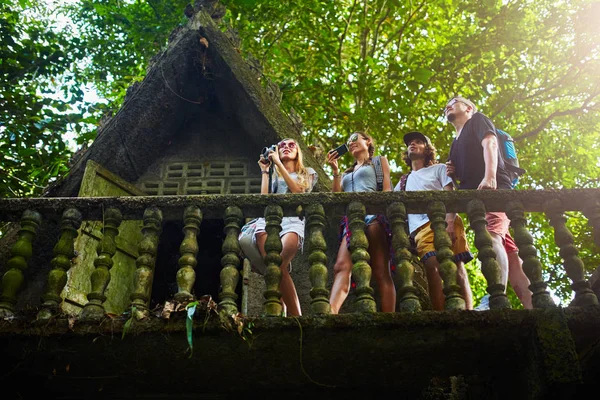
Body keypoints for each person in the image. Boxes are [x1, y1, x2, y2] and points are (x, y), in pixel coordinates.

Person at [444, 96, 532, 309]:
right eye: (445, 105)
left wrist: (490, 177)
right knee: (510, 255)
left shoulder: (478, 120)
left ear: (468, 108)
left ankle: (496, 296)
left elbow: (490, 143)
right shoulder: (455, 144)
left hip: (494, 193)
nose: (448, 105)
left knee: (491, 237)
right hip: (477, 202)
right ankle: (536, 304)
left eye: (454, 101)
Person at [395, 131, 474, 310]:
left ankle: (469, 311)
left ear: (427, 149)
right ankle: (439, 312)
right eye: (410, 144)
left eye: (418, 142)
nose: (412, 145)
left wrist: (451, 221)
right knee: (432, 265)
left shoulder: (438, 169)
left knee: (457, 264)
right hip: (420, 229)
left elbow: (450, 193)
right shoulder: (402, 182)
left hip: (446, 220)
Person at [240, 138, 317, 316]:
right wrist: (266, 171)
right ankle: (283, 315)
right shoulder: (274, 174)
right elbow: (264, 198)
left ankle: (296, 317)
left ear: (298, 152)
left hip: (293, 221)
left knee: (278, 265)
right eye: (282, 146)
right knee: (274, 268)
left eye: (291, 145)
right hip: (268, 222)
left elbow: (298, 192)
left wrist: (278, 164)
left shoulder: (308, 172)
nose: (286, 147)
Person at [326, 131, 396, 313]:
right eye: (348, 141)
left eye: (354, 138)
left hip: (373, 216)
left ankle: (389, 319)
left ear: (368, 141)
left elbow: (387, 189)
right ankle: (330, 313)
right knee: (341, 266)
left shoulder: (379, 162)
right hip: (351, 220)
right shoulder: (346, 173)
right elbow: (336, 198)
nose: (350, 143)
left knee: (381, 270)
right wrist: (335, 171)